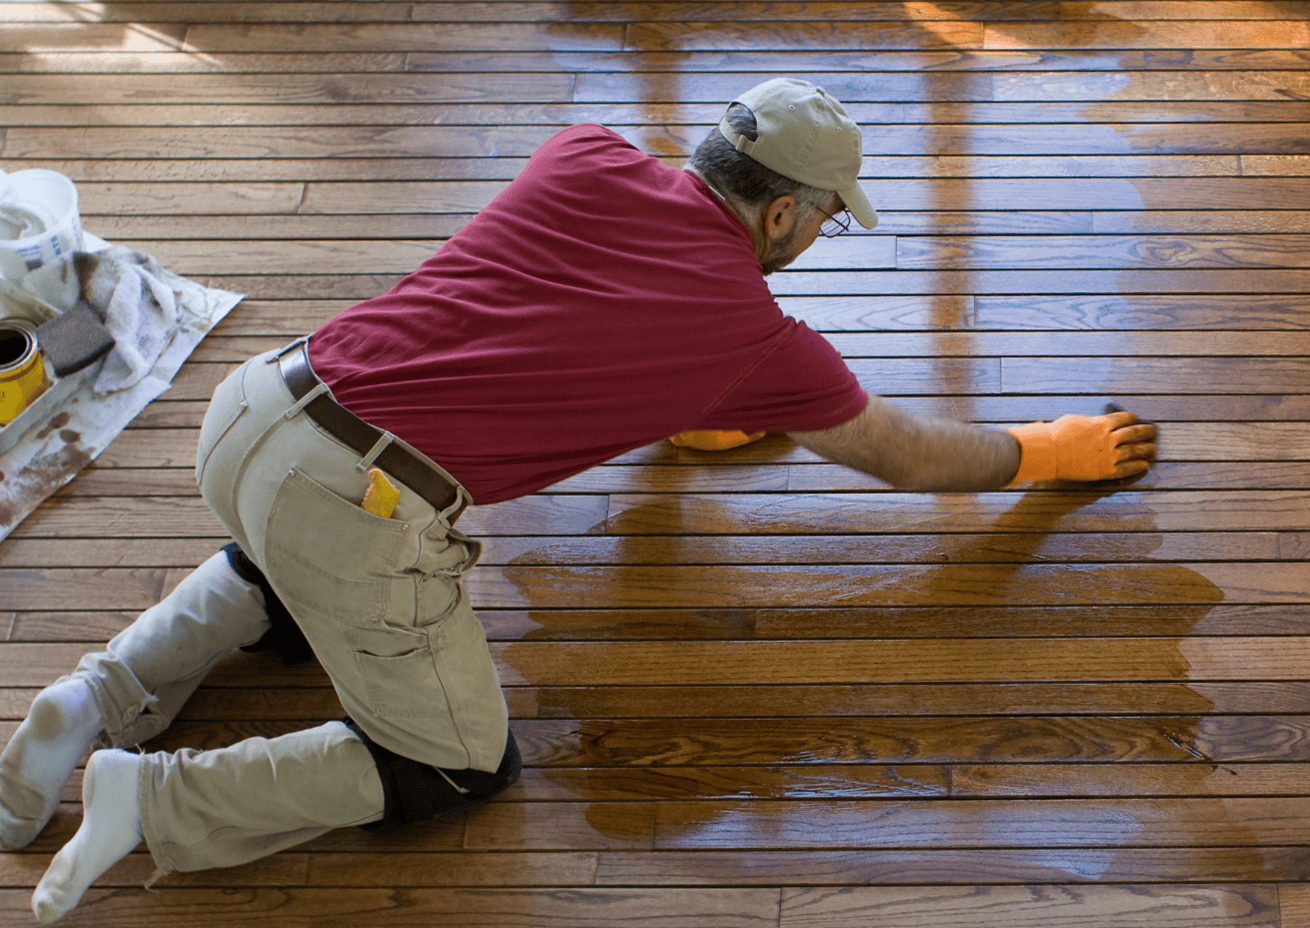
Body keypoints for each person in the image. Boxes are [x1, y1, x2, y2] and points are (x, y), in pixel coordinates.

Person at [0, 78, 1156, 923]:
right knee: (451, 763)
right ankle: (149, 796)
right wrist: (1044, 452)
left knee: (283, 569)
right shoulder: (757, 334)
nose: (815, 239)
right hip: (353, 499)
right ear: (785, 216)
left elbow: (569, 312)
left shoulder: (583, 154)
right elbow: (905, 458)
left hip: (258, 408)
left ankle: (90, 694)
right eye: (823, 219)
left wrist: (691, 404)